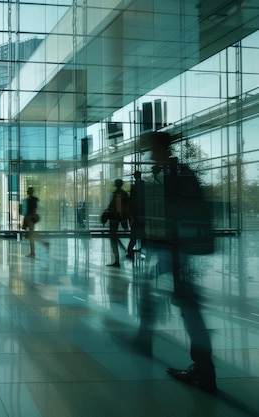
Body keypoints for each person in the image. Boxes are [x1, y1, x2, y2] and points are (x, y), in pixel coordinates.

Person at [142, 131, 216, 394]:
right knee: (184, 304)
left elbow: (179, 212)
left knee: (188, 306)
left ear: (161, 148)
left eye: (151, 147)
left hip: (176, 250)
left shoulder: (175, 173)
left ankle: (204, 367)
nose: (148, 153)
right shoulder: (169, 172)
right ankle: (202, 366)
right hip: (173, 249)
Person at [106, 178, 129, 267]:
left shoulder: (116, 194)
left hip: (115, 217)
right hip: (120, 217)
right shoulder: (124, 194)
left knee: (113, 237)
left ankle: (117, 260)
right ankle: (123, 250)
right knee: (114, 236)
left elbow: (115, 206)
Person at [126, 170, 145, 259]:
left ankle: (130, 251)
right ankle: (141, 250)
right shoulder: (143, 185)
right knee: (141, 233)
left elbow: (132, 201)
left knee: (133, 234)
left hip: (136, 214)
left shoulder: (135, 187)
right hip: (141, 214)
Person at [22, 187, 40, 258]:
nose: (27, 192)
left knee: (31, 236)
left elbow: (33, 210)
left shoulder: (32, 200)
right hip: (29, 219)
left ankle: (33, 252)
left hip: (30, 219)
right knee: (31, 235)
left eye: (28, 191)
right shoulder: (30, 200)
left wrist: (32, 217)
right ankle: (32, 252)